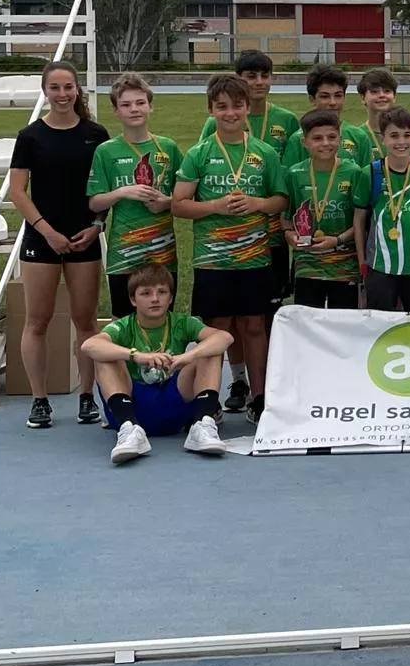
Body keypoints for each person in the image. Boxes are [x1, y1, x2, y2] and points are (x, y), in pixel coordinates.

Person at [172, 73, 289, 423]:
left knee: (255, 326)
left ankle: (260, 398)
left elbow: (281, 199)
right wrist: (214, 207)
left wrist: (256, 204)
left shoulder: (264, 152)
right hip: (213, 260)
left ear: (247, 108)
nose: (230, 113)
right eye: (221, 107)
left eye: (237, 106)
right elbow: (179, 204)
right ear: (211, 110)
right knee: (217, 329)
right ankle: (209, 399)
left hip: (255, 258)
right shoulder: (200, 153)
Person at [7, 59, 110, 429]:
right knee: (38, 320)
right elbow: (18, 192)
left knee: (86, 320)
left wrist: (96, 226)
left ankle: (87, 396)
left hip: (85, 237)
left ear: (78, 89)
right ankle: (39, 401)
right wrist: (46, 230)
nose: (63, 94)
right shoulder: (31, 136)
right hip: (41, 238)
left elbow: (106, 189)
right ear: (45, 91)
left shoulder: (96, 134)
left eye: (69, 87)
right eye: (55, 88)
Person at [80, 264, 232, 464]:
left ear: (170, 298)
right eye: (146, 293)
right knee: (106, 355)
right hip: (135, 405)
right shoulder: (124, 326)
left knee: (208, 351)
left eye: (162, 292)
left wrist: (187, 357)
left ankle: (202, 423)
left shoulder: (181, 322)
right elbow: (89, 345)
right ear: (133, 300)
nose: (155, 299)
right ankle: (129, 429)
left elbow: (225, 337)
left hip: (173, 404)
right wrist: (136, 355)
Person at [87, 73, 182, 319]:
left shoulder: (168, 148)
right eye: (126, 105)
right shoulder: (106, 151)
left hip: (163, 252)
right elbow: (94, 201)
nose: (134, 109)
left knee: (162, 319)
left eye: (140, 103)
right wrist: (121, 192)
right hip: (124, 253)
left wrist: (167, 203)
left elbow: (187, 198)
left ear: (151, 106)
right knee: (124, 321)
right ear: (116, 111)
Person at [353, 107, 410, 313]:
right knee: (380, 327)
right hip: (380, 266)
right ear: (382, 138)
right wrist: (361, 261)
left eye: (407, 135)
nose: (401, 142)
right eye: (394, 135)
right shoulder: (371, 173)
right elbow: (359, 220)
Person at [283, 108, 361, 310]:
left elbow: (361, 221)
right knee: (308, 324)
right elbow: (286, 218)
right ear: (304, 142)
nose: (326, 143)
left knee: (343, 324)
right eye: (317, 138)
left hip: (344, 265)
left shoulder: (353, 173)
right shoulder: (295, 174)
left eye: (331, 137)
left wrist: (337, 240)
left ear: (340, 139)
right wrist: (289, 235)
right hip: (307, 265)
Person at [199, 50, 302, 151]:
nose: (259, 82)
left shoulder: (288, 119)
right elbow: (201, 157)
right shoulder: (218, 121)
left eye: (264, 76)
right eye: (251, 76)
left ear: (272, 78)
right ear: (238, 78)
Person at [280, 65, 374, 170]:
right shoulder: (298, 140)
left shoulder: (359, 137)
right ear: (312, 99)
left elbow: (367, 179)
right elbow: (289, 179)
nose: (333, 102)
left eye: (338, 96)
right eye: (325, 96)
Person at [357, 67, 400, 158]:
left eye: (387, 91)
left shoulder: (404, 135)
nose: (382, 95)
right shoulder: (357, 136)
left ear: (394, 96)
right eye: (374, 92)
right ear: (363, 98)